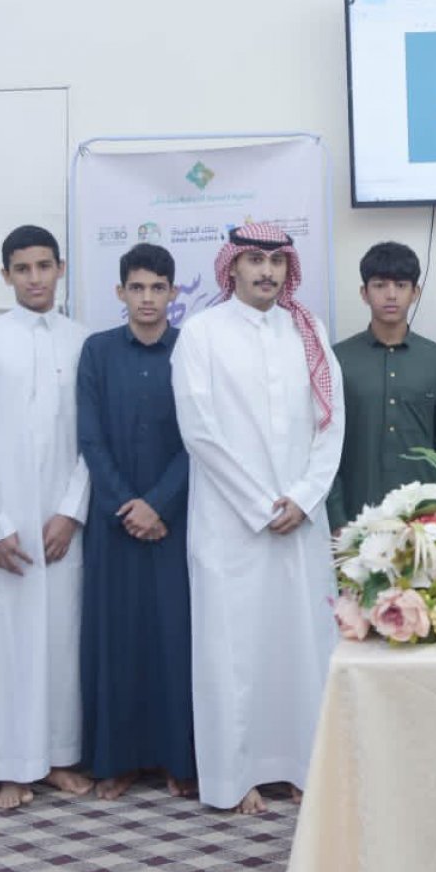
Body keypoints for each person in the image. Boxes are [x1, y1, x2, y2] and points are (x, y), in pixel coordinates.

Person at [171, 223, 344, 816]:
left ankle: (303, 767)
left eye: (276, 261)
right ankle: (235, 777)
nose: (267, 271)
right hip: (230, 523)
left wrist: (305, 496)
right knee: (233, 651)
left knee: (304, 645)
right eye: (254, 260)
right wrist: (260, 505)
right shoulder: (202, 332)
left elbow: (332, 424)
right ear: (233, 267)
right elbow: (199, 430)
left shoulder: (309, 330)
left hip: (301, 519)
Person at [0, 225, 92, 810]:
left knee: (60, 642)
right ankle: (6, 766)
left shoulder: (83, 341)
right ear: (6, 275)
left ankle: (57, 758)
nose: (35, 278)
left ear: (60, 268)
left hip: (61, 524)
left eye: (44, 266)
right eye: (22, 268)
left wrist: (71, 511)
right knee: (3, 645)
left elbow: (93, 438)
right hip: (2, 524)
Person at [76, 242, 198, 802]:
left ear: (173, 292)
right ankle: (118, 761)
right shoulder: (97, 351)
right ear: (120, 292)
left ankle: (180, 759)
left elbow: (201, 438)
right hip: (115, 523)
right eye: (137, 287)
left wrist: (161, 504)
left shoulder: (193, 349)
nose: (147, 298)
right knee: (117, 638)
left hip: (177, 521)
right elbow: (90, 437)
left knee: (176, 638)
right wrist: (128, 506)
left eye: (157, 288)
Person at [328, 241, 436, 528]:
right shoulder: (337, 359)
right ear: (364, 293)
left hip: (425, 517)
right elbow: (326, 448)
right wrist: (336, 519)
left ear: (415, 292)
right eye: (379, 285)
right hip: (357, 513)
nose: (391, 295)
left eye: (401, 285)